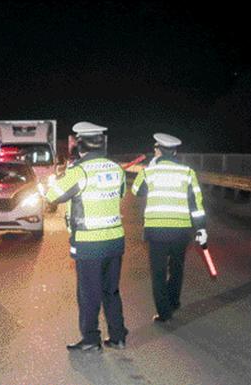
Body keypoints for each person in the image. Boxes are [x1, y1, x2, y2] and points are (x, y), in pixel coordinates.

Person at [45, 122, 128, 352]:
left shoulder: (79, 172)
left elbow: (53, 195)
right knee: (111, 291)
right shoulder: (116, 169)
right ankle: (118, 336)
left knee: (89, 293)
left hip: (90, 243)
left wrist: (55, 180)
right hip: (115, 241)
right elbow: (120, 193)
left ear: (81, 145)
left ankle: (91, 339)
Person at [131, 133, 206, 322]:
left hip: (157, 231)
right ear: (175, 151)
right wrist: (201, 229)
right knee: (177, 268)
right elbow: (196, 204)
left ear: (158, 151)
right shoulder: (187, 173)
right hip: (181, 231)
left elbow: (136, 191)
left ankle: (164, 312)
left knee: (158, 272)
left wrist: (150, 166)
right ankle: (173, 301)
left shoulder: (150, 172)